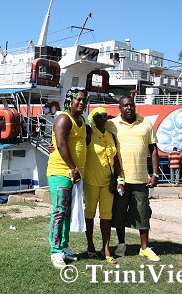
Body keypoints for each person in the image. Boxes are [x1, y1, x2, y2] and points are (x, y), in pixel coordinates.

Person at [107, 95, 161, 262]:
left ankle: (144, 247)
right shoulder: (111, 124)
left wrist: (155, 174)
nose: (129, 108)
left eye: (131, 105)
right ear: (120, 108)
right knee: (119, 213)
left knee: (143, 213)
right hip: (120, 180)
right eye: (125, 106)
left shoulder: (146, 124)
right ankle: (122, 244)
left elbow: (153, 150)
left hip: (141, 180)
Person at [46, 87, 88, 269]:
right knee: (59, 212)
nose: (81, 102)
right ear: (70, 100)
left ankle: (64, 247)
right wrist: (73, 167)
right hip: (61, 171)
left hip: (73, 173)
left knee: (67, 212)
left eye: (83, 100)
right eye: (77, 99)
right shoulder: (64, 118)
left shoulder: (81, 119)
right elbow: (61, 145)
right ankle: (55, 251)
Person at [84, 107, 121, 264]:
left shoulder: (111, 135)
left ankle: (106, 248)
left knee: (107, 215)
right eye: (99, 116)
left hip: (108, 181)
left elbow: (116, 159)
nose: (103, 119)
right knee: (90, 213)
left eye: (105, 116)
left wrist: (120, 179)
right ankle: (90, 245)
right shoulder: (88, 133)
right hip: (91, 181)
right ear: (93, 118)